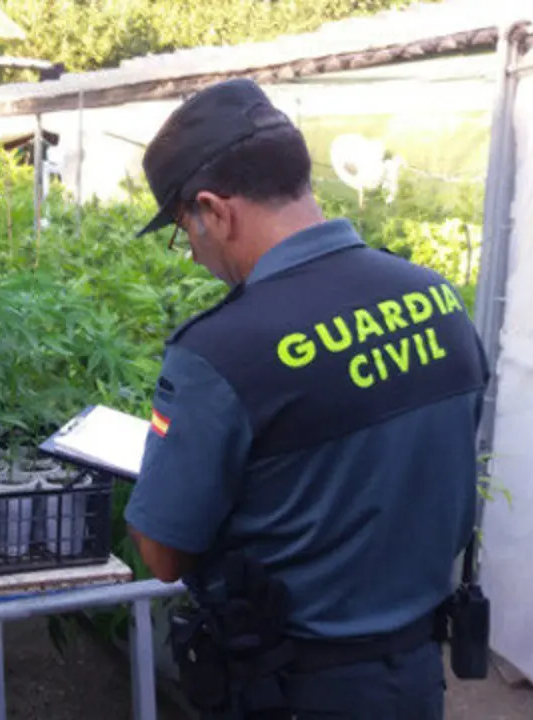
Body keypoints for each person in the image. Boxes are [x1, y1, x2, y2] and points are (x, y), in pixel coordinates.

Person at [123, 78, 489, 719]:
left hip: (293, 688)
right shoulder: (437, 300)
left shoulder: (222, 352)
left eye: (187, 232)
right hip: (411, 676)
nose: (196, 255)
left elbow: (162, 551)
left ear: (215, 209)